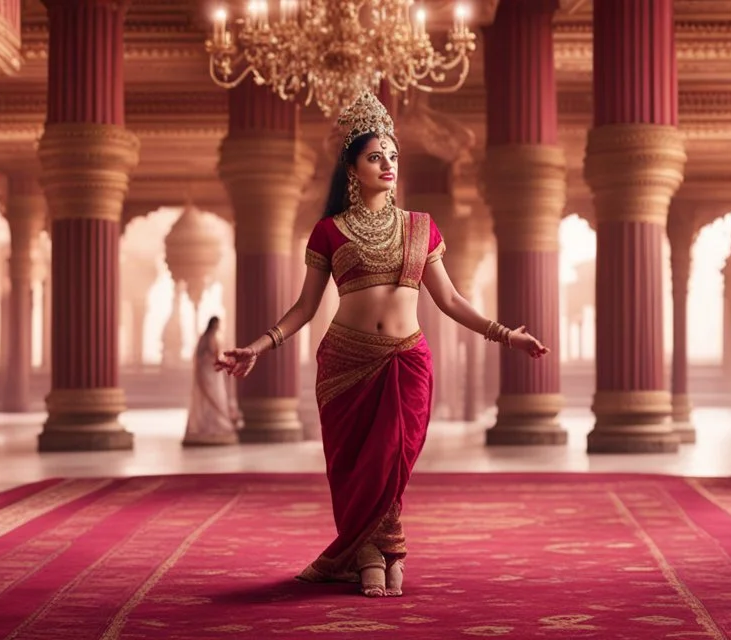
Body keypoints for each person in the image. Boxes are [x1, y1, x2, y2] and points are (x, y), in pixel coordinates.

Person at [216, 91, 548, 598]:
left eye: (393, 156)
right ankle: (377, 553)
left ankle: (377, 551)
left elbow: (451, 300)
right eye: (375, 156)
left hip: (407, 361)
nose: (387, 164)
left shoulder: (421, 227)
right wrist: (258, 347)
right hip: (346, 362)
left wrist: (507, 335)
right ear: (353, 166)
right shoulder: (328, 232)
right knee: (356, 468)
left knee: (392, 462)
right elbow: (305, 307)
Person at [183, 316, 239, 446]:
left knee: (217, 397)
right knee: (212, 398)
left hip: (213, 372)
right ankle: (208, 426)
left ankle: (216, 426)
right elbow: (205, 356)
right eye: (217, 324)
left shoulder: (212, 337)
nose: (219, 326)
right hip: (209, 372)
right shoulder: (207, 338)